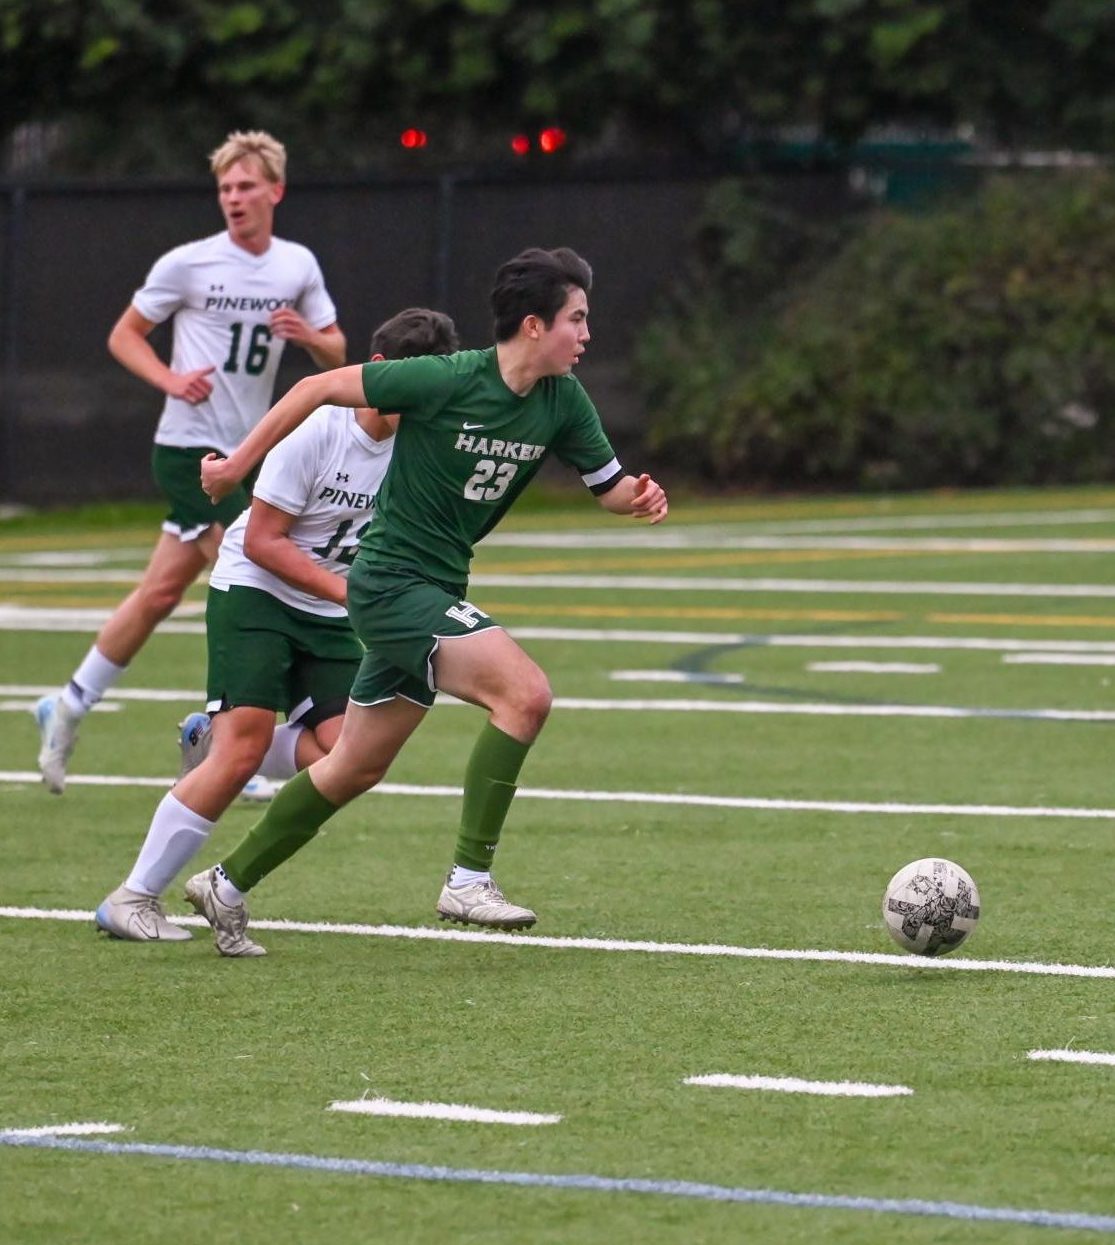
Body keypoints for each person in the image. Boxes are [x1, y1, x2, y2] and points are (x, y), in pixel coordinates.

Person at [186, 246, 668, 956]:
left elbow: (609, 487)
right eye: (577, 318)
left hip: (435, 588)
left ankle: (224, 884)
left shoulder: (564, 401)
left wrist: (639, 498)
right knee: (526, 695)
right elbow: (313, 390)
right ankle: (468, 879)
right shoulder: (443, 378)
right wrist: (232, 467)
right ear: (533, 325)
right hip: (387, 585)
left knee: (353, 765)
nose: (587, 334)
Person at [94, 308, 459, 951]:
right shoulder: (319, 429)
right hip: (255, 591)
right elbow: (263, 542)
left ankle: (224, 733)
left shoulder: (420, 444)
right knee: (240, 754)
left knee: (352, 754)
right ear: (376, 374)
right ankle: (131, 897)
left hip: (328, 613)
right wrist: (353, 592)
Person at [34, 130, 346, 795]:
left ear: (274, 191)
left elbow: (339, 355)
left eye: (244, 186)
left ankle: (67, 703)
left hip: (246, 453)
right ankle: (228, 735)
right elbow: (124, 335)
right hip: (188, 449)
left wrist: (308, 336)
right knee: (256, 568)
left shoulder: (296, 264)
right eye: (224, 188)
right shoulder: (189, 262)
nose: (233, 198)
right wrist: (171, 381)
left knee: (160, 593)